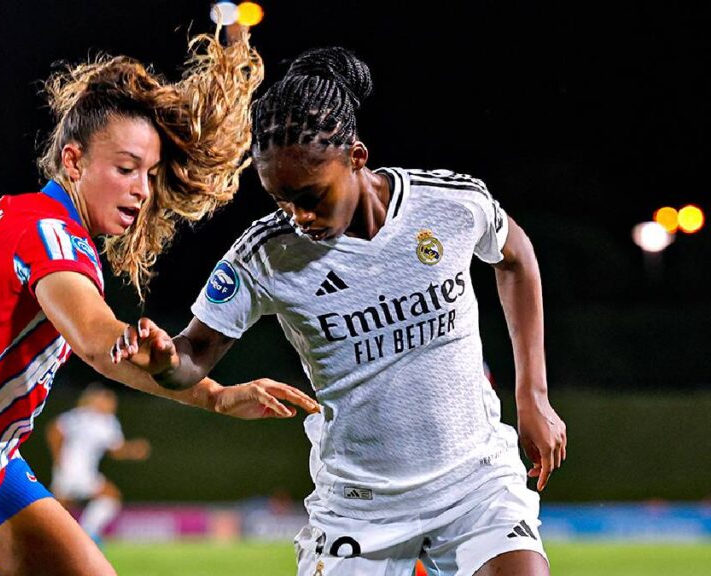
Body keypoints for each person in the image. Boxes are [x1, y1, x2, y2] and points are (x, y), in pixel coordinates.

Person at [0, 29, 320, 576]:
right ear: (73, 162)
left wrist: (215, 395)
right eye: (124, 169)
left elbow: (107, 352)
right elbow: (99, 341)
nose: (142, 189)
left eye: (147, 173)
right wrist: (136, 347)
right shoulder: (51, 234)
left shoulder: (23, 216)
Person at [113, 46, 567, 576]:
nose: (299, 216)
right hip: (360, 509)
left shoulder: (448, 203)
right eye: (282, 200)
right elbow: (195, 355)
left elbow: (516, 257)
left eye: (311, 195)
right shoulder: (266, 253)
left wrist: (532, 394)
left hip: (475, 484)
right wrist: (165, 359)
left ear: (356, 156)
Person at [45, 384, 150, 543]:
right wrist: (134, 450)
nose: (112, 404)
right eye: (109, 400)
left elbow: (54, 430)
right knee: (110, 495)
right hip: (79, 473)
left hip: (67, 471)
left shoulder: (84, 416)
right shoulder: (100, 420)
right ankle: (87, 536)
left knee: (60, 508)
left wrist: (58, 460)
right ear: (97, 400)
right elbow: (117, 451)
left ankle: (51, 540)